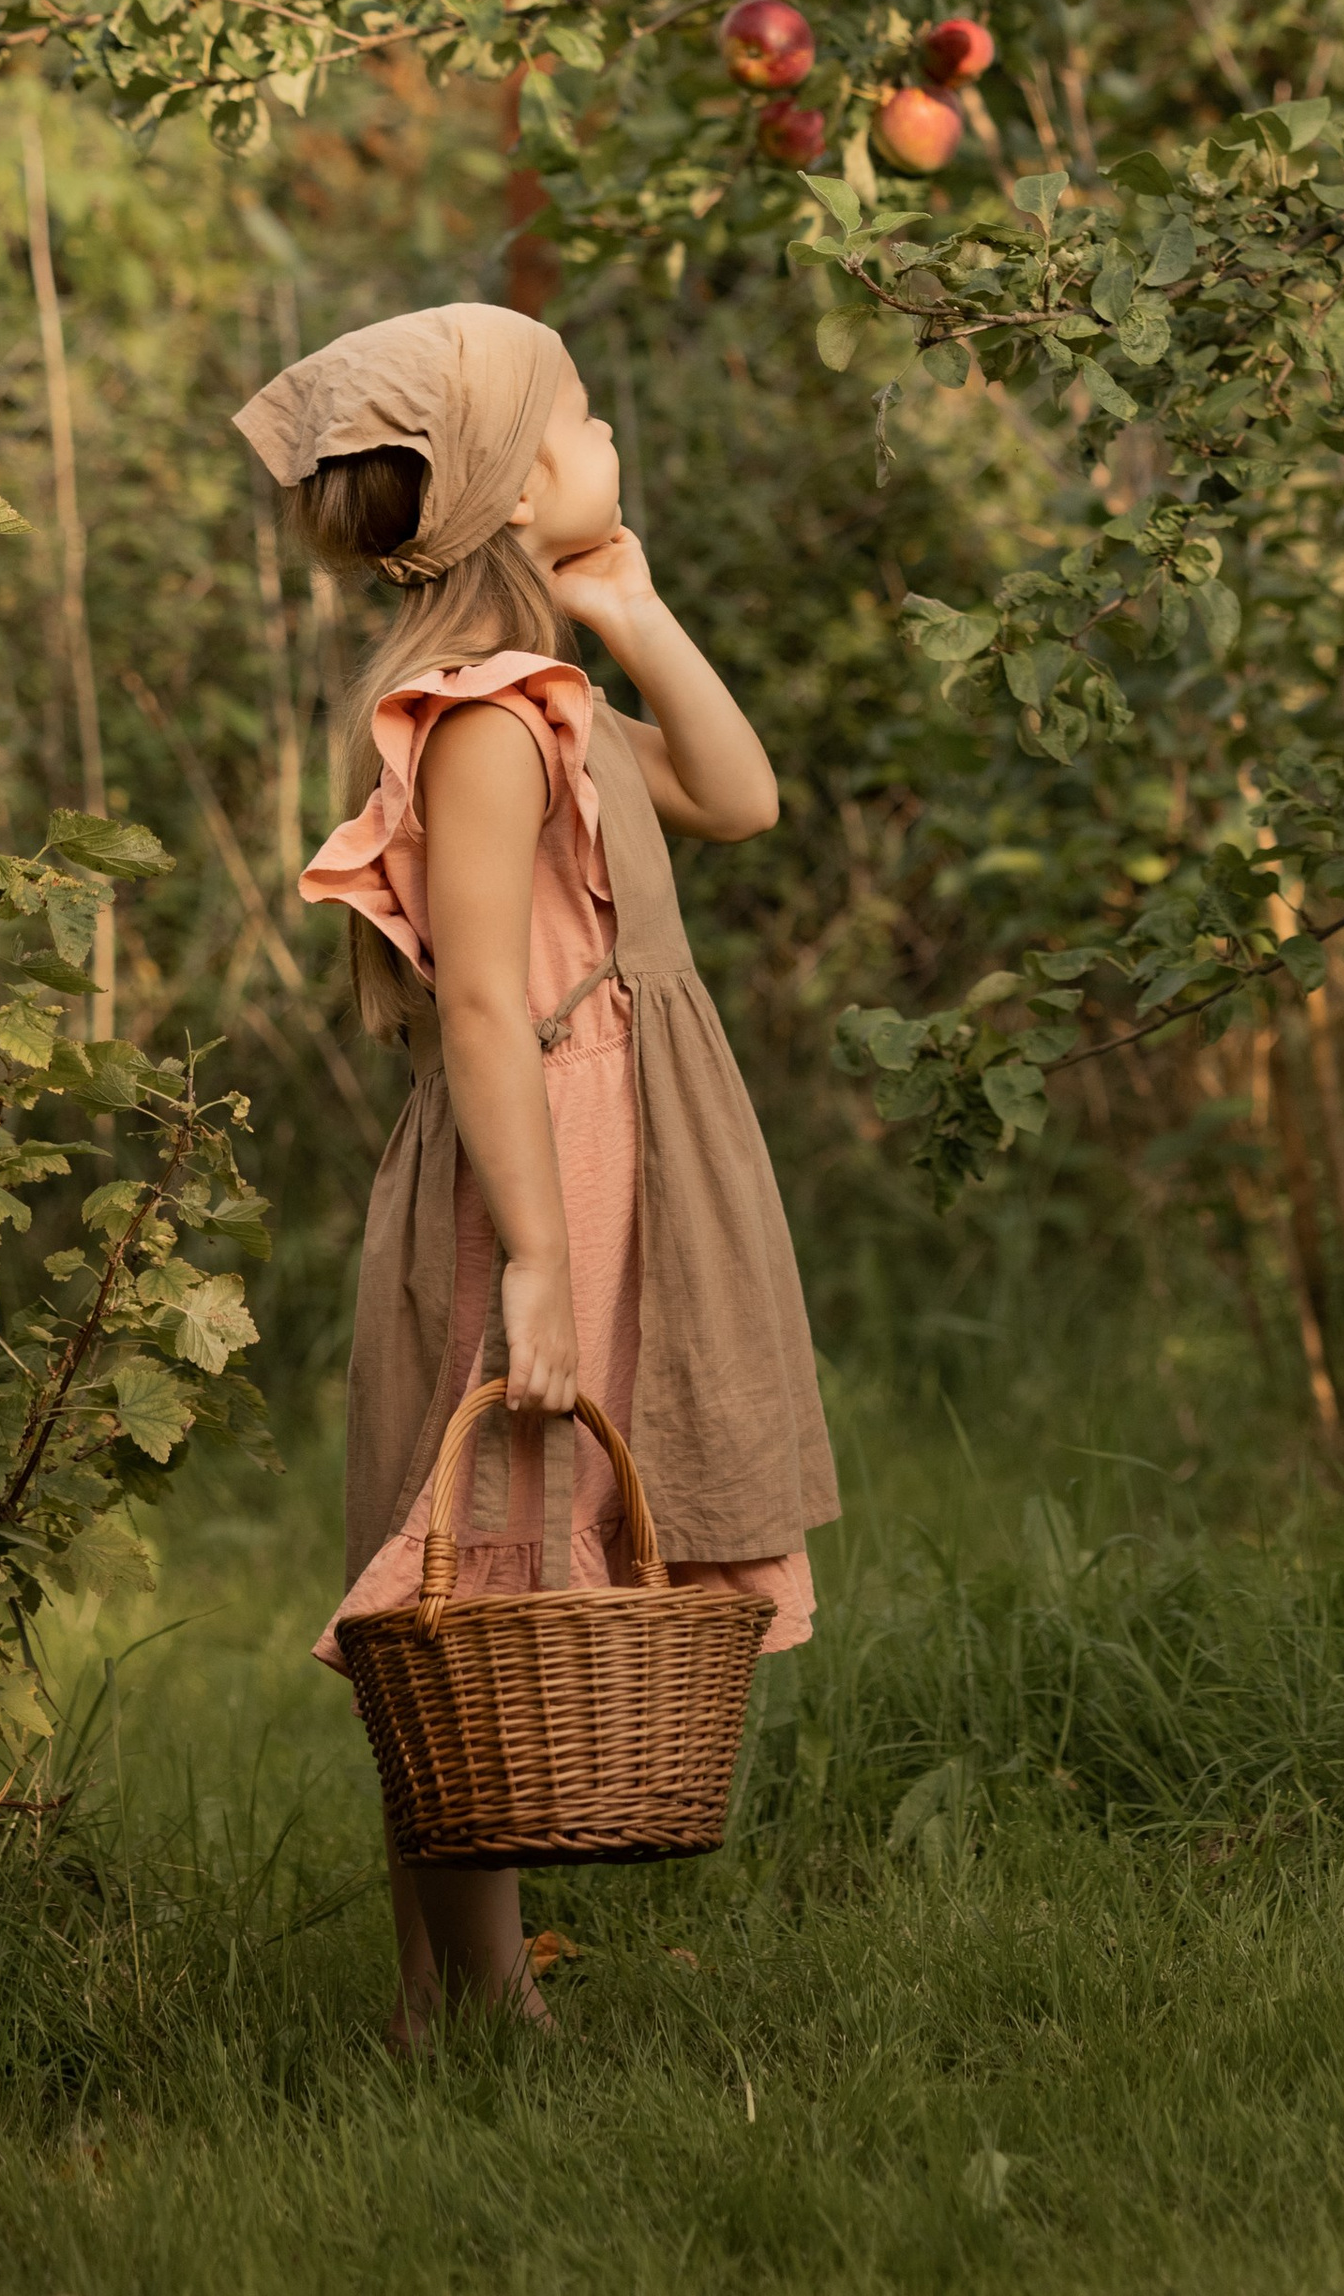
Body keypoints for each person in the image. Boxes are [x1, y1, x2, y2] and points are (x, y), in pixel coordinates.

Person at [233, 303, 837, 2038]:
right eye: (575, 421)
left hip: (605, 1146)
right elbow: (488, 1003)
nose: (607, 443)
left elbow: (738, 798)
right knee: (478, 1560)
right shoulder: (486, 721)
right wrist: (540, 1267)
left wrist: (636, 612)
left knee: (508, 1553)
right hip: (537, 1164)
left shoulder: (556, 691)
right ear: (507, 494)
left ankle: (453, 1998)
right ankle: (479, 1999)